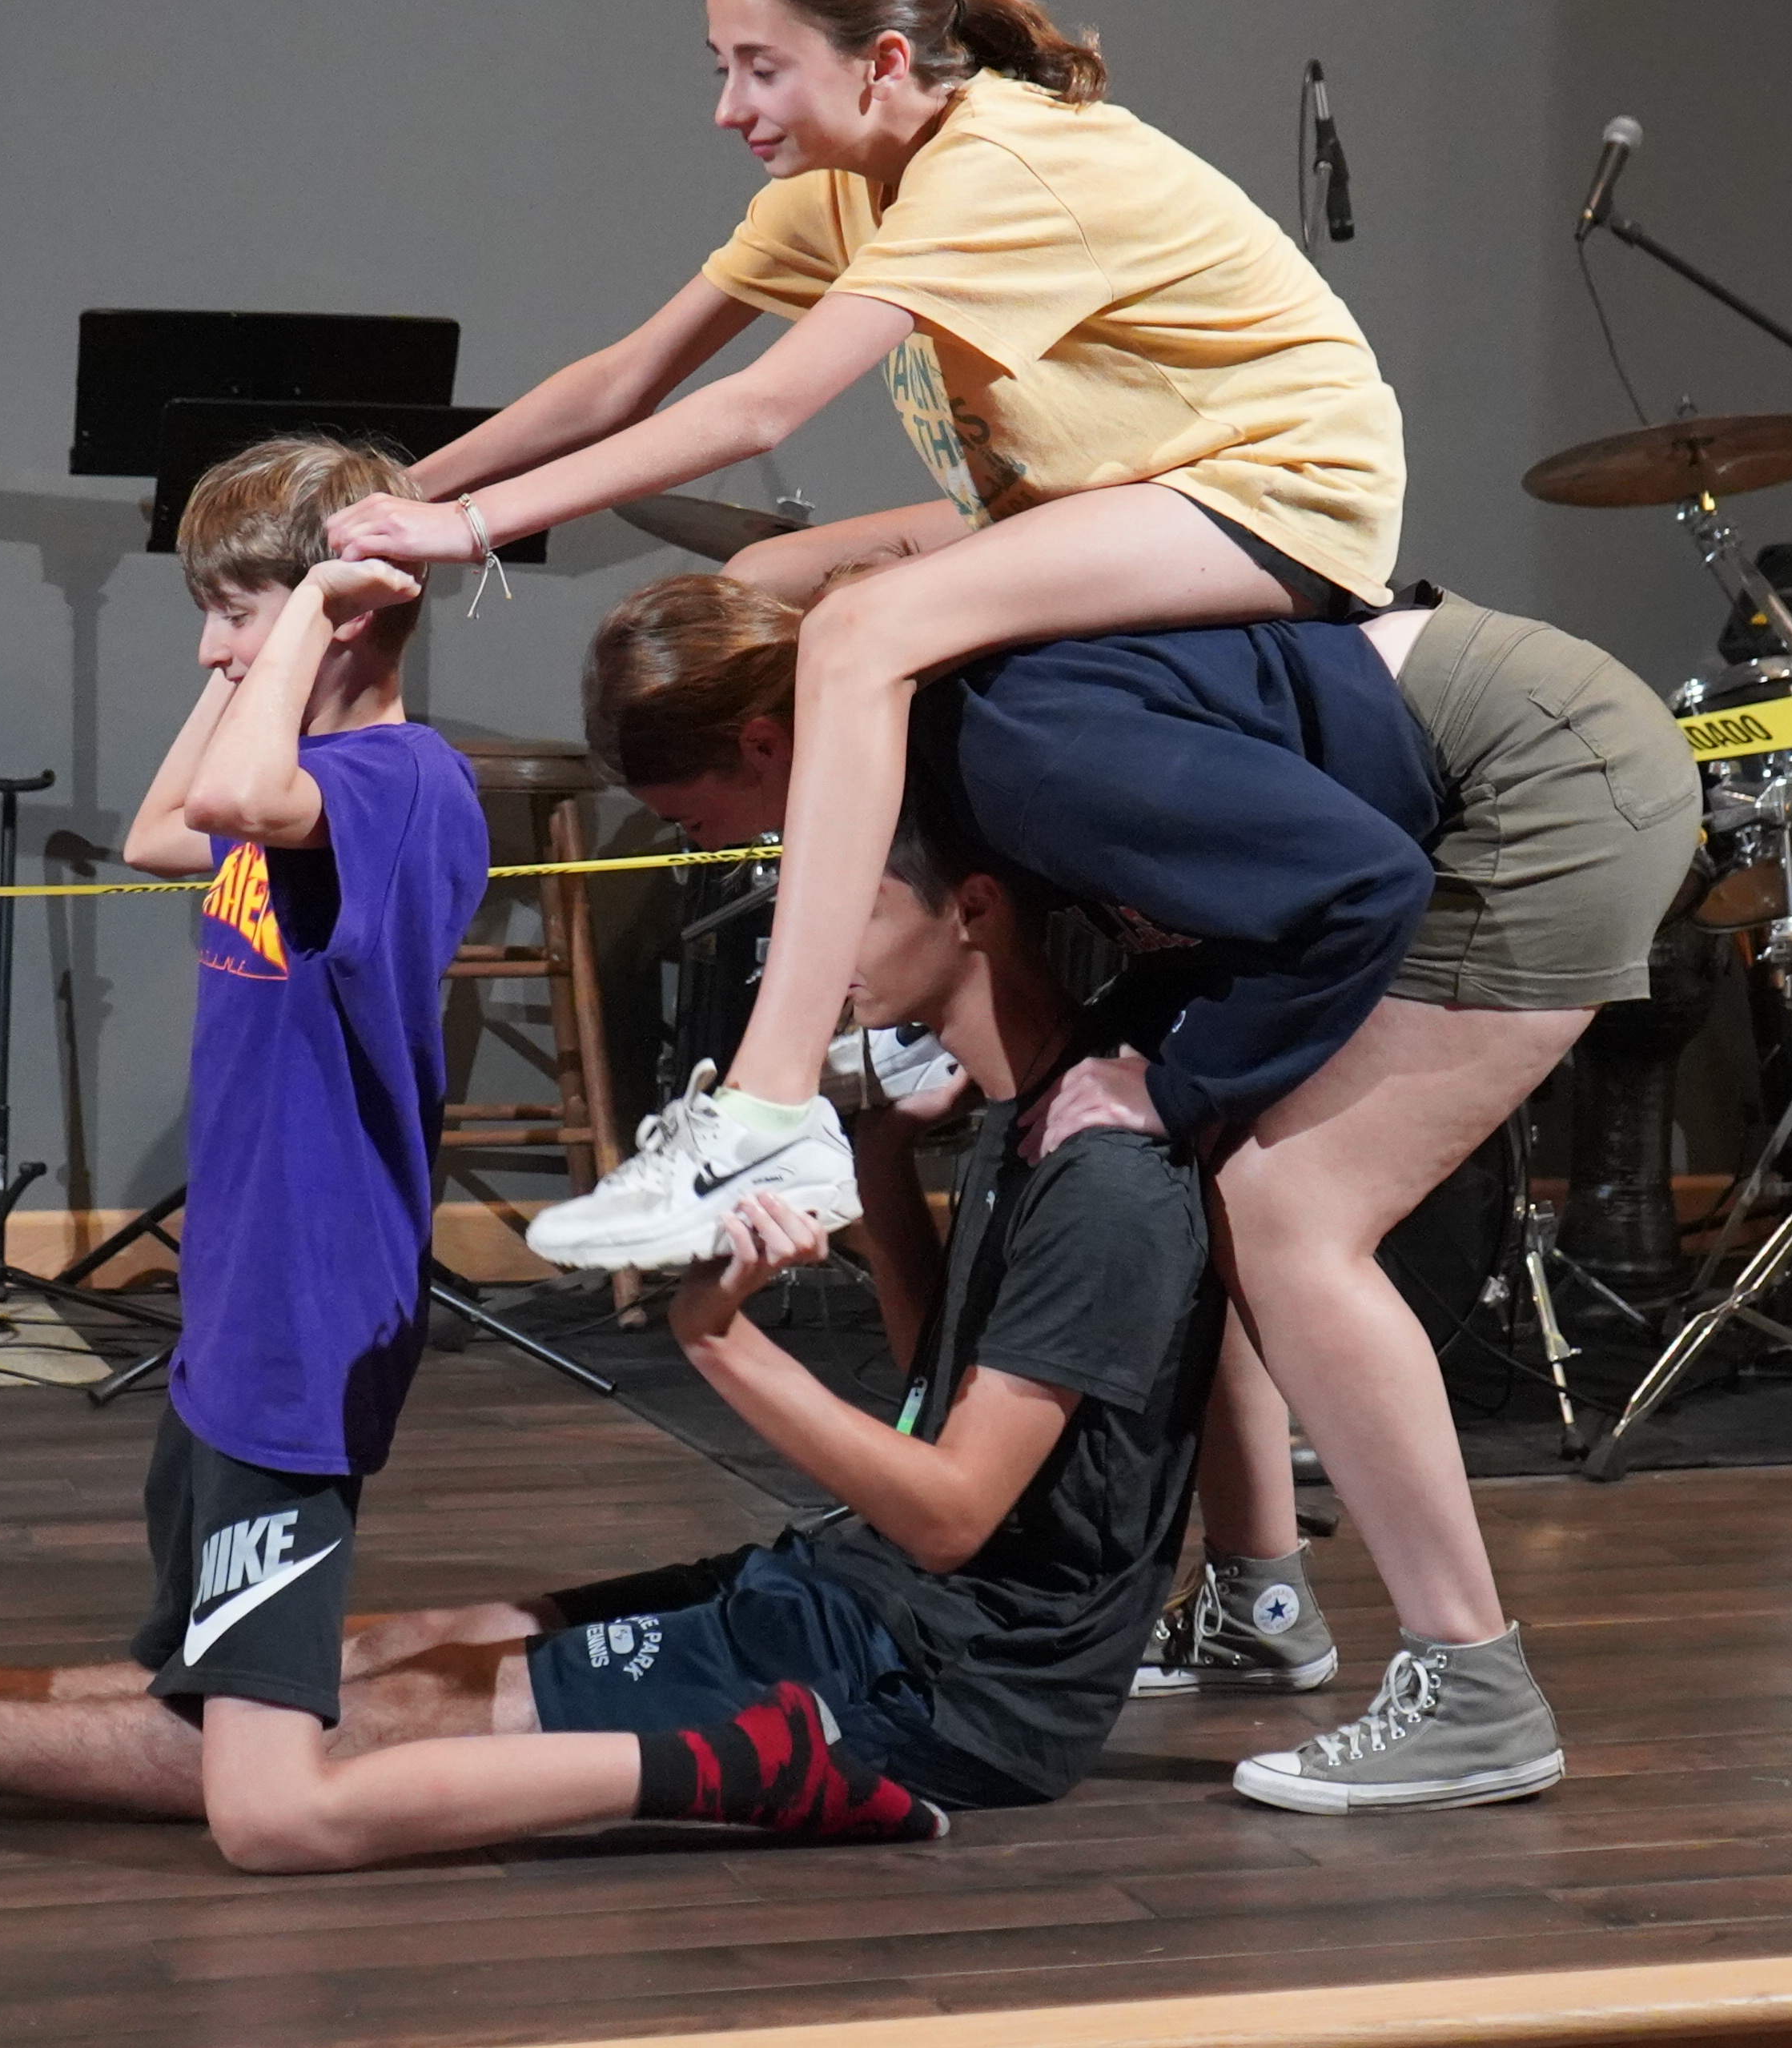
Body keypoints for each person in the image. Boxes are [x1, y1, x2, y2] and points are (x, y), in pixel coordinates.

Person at [0, 772, 1217, 1866]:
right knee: (397, 1642)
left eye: (853, 907)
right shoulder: (1034, 1126)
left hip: (938, 1687)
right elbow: (934, 1397)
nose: (804, 946)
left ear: (974, 911)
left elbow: (958, 1511)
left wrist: (717, 1340)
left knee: (398, 1710)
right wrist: (887, 1162)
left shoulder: (1107, 1184)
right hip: (865, 1595)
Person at [330, 0, 1407, 1273]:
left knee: (867, 626)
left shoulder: (1000, 166)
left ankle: (775, 1101)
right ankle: (918, 996)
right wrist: (402, 495)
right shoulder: (841, 185)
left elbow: (753, 413)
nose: (730, 106)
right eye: (722, 67)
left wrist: (468, 536)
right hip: (1114, 487)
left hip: (1278, 486)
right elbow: (624, 378)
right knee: (778, 581)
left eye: (759, 67)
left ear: (882, 61)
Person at [582, 570, 1690, 1813]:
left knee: (1289, 1211)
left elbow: (1361, 886)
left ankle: (1474, 1684)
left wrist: (1173, 1088)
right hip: (1453, 785)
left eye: (706, 816)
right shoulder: (960, 759)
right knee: (1207, 1168)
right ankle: (1260, 1603)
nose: (752, 854)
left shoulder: (1021, 757)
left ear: (767, 740)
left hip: (1543, 785)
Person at [0, 432, 484, 1857]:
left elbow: (228, 804)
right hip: (239, 1295)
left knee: (248, 1748)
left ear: (354, 607)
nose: (213, 653)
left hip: (308, 1310)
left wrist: (323, 610)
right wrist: (277, 640)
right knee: (192, 1673)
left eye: (238, 616)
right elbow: (161, 828)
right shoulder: (301, 781)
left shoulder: (401, 783)